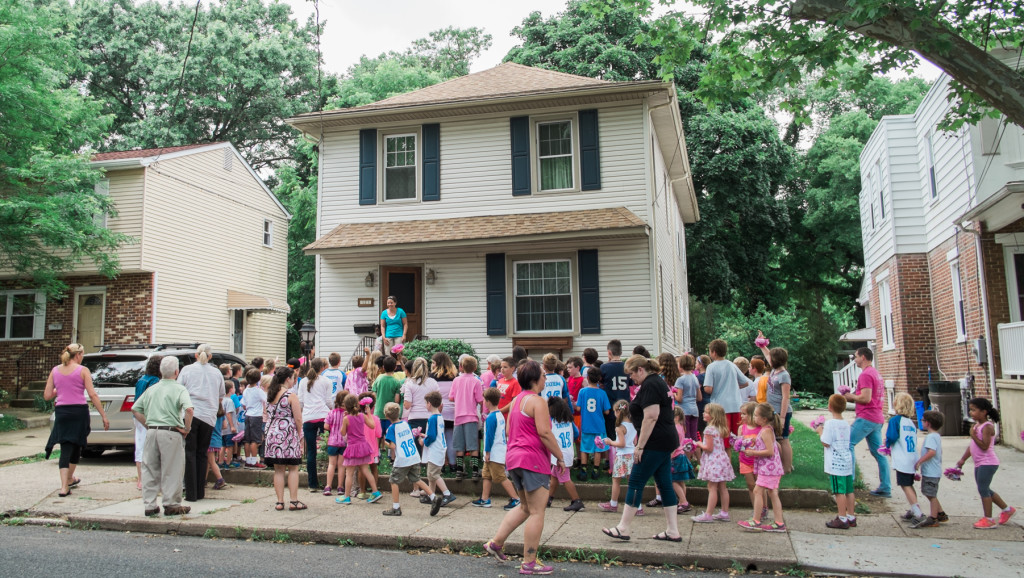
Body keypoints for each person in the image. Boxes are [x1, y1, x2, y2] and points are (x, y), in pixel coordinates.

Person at [481, 360, 565, 575]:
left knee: (525, 507)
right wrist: (560, 456)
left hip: (514, 459)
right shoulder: (538, 402)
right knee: (537, 511)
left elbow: (509, 430)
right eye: (543, 376)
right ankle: (529, 561)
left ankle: (496, 543)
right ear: (536, 380)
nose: (546, 379)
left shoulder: (517, 400)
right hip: (533, 460)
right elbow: (545, 433)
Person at [601, 354, 680, 542]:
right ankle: (672, 530)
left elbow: (651, 416)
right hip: (665, 440)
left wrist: (640, 446)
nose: (631, 379)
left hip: (654, 442)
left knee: (636, 481)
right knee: (664, 484)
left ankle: (623, 527)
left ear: (641, 370)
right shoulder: (657, 382)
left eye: (632, 374)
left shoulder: (651, 385)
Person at [43, 343, 110, 497]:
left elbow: (47, 396)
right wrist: (103, 416)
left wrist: (59, 389)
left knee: (66, 447)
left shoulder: (55, 370)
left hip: (62, 412)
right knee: (77, 445)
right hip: (79, 412)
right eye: (82, 355)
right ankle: (64, 485)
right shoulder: (83, 370)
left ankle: (68, 481)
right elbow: (92, 395)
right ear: (78, 355)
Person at [130, 356, 194, 516]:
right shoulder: (179, 389)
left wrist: (148, 424)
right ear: (176, 372)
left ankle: (150, 504)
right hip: (171, 431)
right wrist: (186, 428)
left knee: (150, 468)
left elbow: (135, 409)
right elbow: (189, 409)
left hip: (152, 431)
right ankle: (171, 503)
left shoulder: (152, 389)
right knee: (172, 468)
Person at [955, 398, 1016, 529]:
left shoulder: (987, 427)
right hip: (980, 463)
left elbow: (984, 446)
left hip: (988, 463)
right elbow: (972, 447)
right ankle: (1007, 510)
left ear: (984, 412)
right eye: (970, 410)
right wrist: (962, 460)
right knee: (986, 489)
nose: (971, 412)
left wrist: (973, 436)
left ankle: (988, 520)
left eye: (974, 410)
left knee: (983, 489)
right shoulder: (976, 426)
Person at [177, 344, 223, 502]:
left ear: (196, 355)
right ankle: (200, 491)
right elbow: (221, 394)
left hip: (190, 413)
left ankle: (191, 493)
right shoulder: (216, 373)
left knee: (189, 452)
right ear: (210, 357)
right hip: (208, 416)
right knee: (202, 453)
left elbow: (179, 389)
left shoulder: (187, 370)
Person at [843, 346, 890, 497]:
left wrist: (850, 397)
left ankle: (849, 481)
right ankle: (885, 487)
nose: (855, 359)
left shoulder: (865, 375)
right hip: (877, 417)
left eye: (856, 356)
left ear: (863, 357)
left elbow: (866, 398)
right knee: (879, 453)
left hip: (866, 417)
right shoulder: (876, 373)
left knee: (847, 443)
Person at [737, 403, 787, 532]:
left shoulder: (765, 431)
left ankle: (756, 520)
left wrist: (753, 452)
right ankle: (779, 522)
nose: (754, 418)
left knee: (757, 491)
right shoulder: (766, 430)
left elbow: (770, 451)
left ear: (764, 419)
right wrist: (754, 443)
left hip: (768, 468)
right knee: (772, 493)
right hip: (771, 468)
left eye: (755, 415)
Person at [263, 367, 305, 511]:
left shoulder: (270, 394)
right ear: (288, 379)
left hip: (272, 433)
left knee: (278, 470)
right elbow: (298, 418)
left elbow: (267, 415)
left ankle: (280, 502)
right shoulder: (290, 395)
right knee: (293, 468)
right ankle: (293, 501)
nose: (294, 380)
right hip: (287, 433)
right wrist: (300, 436)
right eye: (293, 378)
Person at [381, 402, 433, 516]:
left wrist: (383, 442)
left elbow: (393, 446)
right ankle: (433, 497)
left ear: (387, 416)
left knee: (394, 481)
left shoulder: (391, 428)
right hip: (413, 456)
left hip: (402, 459)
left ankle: (396, 507)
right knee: (417, 479)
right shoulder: (406, 424)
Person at [473, 387, 520, 510]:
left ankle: (516, 499)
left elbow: (489, 437)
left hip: (494, 453)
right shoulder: (499, 415)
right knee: (487, 475)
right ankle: (484, 499)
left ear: (488, 402)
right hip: (497, 451)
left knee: (500, 476)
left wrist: (487, 452)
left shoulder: (491, 418)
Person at [816, 394, 855, 529]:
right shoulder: (846, 424)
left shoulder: (830, 424)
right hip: (847, 461)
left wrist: (820, 431)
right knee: (849, 490)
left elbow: (826, 442)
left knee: (839, 491)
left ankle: (842, 517)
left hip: (836, 463)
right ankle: (851, 516)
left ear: (830, 407)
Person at [756, 334, 794, 473]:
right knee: (777, 438)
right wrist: (762, 344)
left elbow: (785, 397)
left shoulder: (784, 375)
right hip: (774, 410)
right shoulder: (774, 371)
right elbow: (767, 354)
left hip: (782, 411)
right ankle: (782, 464)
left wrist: (782, 417)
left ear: (776, 360)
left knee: (784, 439)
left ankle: (787, 467)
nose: (769, 359)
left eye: (771, 358)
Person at [692, 403, 735, 523]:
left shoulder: (709, 429)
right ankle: (724, 512)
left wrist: (698, 444)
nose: (703, 413)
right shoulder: (720, 428)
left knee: (712, 487)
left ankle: (708, 514)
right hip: (722, 458)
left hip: (714, 460)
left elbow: (708, 448)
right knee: (723, 487)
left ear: (713, 415)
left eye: (706, 412)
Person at [336, 394, 382, 505]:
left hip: (352, 448)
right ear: (357, 404)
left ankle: (346, 496)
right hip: (363, 447)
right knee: (366, 470)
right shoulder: (362, 416)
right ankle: (375, 491)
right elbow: (372, 425)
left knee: (349, 473)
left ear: (346, 407)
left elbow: (342, 433)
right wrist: (369, 414)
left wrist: (343, 420)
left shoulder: (347, 418)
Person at [297, 357, 334, 493]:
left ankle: (312, 483)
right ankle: (331, 473)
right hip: (323, 416)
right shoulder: (326, 381)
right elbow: (328, 400)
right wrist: (333, 410)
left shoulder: (303, 382)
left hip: (308, 416)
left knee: (311, 452)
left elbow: (300, 401)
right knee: (331, 444)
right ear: (322, 368)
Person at [886, 393, 923, 523]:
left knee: (905, 485)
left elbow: (891, 436)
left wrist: (886, 445)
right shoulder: (911, 423)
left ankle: (917, 510)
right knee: (909, 484)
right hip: (911, 457)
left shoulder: (895, 420)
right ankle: (914, 508)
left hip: (902, 459)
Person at [420, 390, 456, 512]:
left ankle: (447, 493)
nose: (425, 405)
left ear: (429, 404)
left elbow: (432, 436)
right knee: (432, 475)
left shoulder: (432, 419)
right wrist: (425, 435)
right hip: (440, 448)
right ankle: (432, 494)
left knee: (433, 474)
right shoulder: (440, 417)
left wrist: (423, 441)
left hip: (435, 450)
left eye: (426, 403)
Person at [598, 400, 637, 514]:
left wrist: (610, 442)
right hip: (632, 455)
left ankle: (613, 504)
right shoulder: (633, 424)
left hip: (622, 456)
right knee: (632, 482)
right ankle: (637, 506)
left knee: (616, 481)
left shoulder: (619, 427)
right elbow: (634, 441)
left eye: (615, 411)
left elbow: (621, 444)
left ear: (619, 411)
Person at [450, 355, 483, 481]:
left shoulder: (456, 380)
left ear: (461, 367)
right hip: (471, 417)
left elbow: (451, 397)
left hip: (458, 416)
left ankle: (459, 471)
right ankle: (475, 472)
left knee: (459, 445)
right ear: (475, 368)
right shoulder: (476, 381)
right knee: (473, 445)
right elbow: (480, 399)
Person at [912, 410, 947, 528]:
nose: (922, 422)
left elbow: (932, 452)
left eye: (923, 420)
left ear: (928, 423)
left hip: (931, 472)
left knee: (930, 494)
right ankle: (940, 513)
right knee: (930, 492)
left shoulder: (931, 437)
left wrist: (919, 462)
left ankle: (933, 518)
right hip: (933, 471)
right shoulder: (936, 436)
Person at [703, 339, 746, 435]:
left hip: (720, 407)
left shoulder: (711, 367)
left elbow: (708, 388)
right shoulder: (732, 365)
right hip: (735, 405)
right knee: (737, 436)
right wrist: (733, 386)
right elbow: (745, 382)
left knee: (723, 437)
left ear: (714, 352)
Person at [547, 397, 584, 512]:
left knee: (565, 478)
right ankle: (549, 498)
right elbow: (576, 433)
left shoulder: (552, 422)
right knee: (554, 476)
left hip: (559, 454)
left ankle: (577, 500)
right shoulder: (569, 420)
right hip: (567, 451)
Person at [133, 355, 163, 490]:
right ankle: (152, 478)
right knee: (152, 449)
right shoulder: (155, 381)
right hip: (149, 416)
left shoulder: (141, 380)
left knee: (140, 446)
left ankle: (140, 479)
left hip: (137, 416)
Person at [576, 367, 610, 481]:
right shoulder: (602, 393)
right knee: (598, 449)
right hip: (599, 426)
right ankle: (595, 471)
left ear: (588, 378)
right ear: (599, 379)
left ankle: (584, 471)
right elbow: (607, 411)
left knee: (585, 448)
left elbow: (578, 407)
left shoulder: (583, 391)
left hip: (586, 425)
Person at [430, 352, 459, 474]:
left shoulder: (432, 378)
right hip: (453, 412)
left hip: (438, 411)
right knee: (450, 439)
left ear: (436, 363)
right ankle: (453, 465)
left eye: (432, 362)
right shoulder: (455, 377)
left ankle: (440, 465)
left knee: (439, 440)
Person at [401, 357, 437, 453]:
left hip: (415, 418)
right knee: (431, 444)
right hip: (430, 416)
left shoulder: (410, 383)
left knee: (416, 447)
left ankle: (417, 466)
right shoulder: (433, 382)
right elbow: (438, 402)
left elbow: (407, 405)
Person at [737, 402, 762, 514]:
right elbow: (738, 444)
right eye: (741, 414)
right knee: (751, 485)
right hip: (745, 460)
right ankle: (755, 509)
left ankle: (763, 508)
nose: (741, 416)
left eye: (744, 414)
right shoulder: (742, 428)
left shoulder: (761, 429)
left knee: (760, 486)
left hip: (758, 460)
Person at [322, 390, 348, 495]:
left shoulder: (331, 413)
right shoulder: (347, 414)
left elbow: (326, 426)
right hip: (344, 442)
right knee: (341, 465)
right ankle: (340, 487)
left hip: (332, 441)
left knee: (331, 464)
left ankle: (328, 486)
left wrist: (333, 428)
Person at [373, 356, 404, 440]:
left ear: (383, 367)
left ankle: (377, 452)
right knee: (390, 437)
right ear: (395, 367)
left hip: (378, 412)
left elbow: (374, 394)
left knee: (377, 436)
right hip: (390, 414)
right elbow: (396, 400)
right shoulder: (396, 382)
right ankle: (390, 452)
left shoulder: (378, 379)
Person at [241, 368, 267, 469]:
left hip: (248, 415)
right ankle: (253, 461)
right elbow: (265, 400)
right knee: (255, 440)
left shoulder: (246, 390)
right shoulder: (258, 391)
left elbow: (243, 404)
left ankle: (248, 460)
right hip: (256, 416)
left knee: (247, 439)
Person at [673, 354, 701, 441]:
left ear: (680, 365)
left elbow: (679, 399)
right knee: (694, 437)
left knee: (686, 437)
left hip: (684, 410)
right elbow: (699, 397)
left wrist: (673, 394)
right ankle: (696, 454)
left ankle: (688, 455)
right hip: (694, 410)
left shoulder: (680, 380)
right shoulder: (695, 377)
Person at [206, 394, 226, 491]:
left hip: (210, 439)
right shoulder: (222, 415)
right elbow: (225, 426)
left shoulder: (210, 415)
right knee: (208, 461)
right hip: (218, 439)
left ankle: (220, 479)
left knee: (211, 461)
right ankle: (204, 480)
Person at [218, 380, 238, 470]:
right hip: (229, 429)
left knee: (222, 445)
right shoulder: (229, 401)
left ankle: (220, 462)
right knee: (230, 446)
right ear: (230, 390)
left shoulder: (221, 400)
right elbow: (228, 414)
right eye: (234, 387)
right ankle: (228, 462)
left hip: (222, 428)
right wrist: (232, 425)